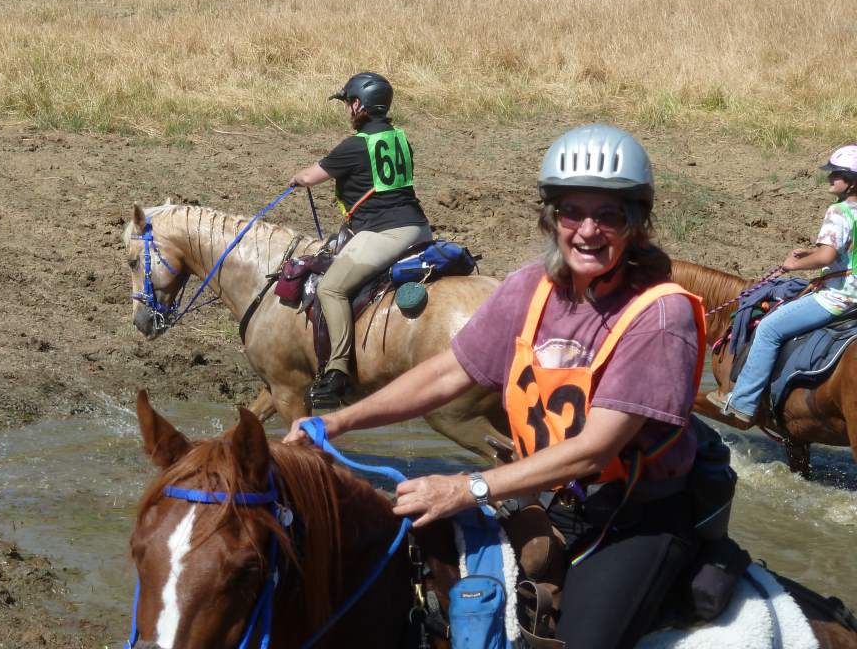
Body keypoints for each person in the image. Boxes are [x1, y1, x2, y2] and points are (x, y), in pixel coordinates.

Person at [286, 124, 708, 649]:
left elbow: (594, 449)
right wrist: (338, 421)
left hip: (631, 519)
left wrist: (466, 487)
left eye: (609, 215)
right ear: (551, 218)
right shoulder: (531, 287)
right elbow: (449, 372)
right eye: (571, 212)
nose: (587, 231)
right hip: (542, 497)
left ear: (637, 225)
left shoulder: (660, 315)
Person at [289, 72, 432, 407]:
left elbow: (311, 176)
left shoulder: (355, 146)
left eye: (348, 104)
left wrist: (297, 178)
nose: (347, 111)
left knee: (330, 288)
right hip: (419, 228)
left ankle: (338, 370)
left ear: (358, 105)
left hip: (386, 233)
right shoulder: (400, 138)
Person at [708, 145, 857, 426]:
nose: (829, 178)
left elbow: (826, 256)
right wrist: (813, 253)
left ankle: (742, 402)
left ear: (852, 181)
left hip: (838, 299)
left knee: (769, 329)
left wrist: (794, 265)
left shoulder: (839, 212)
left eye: (836, 174)